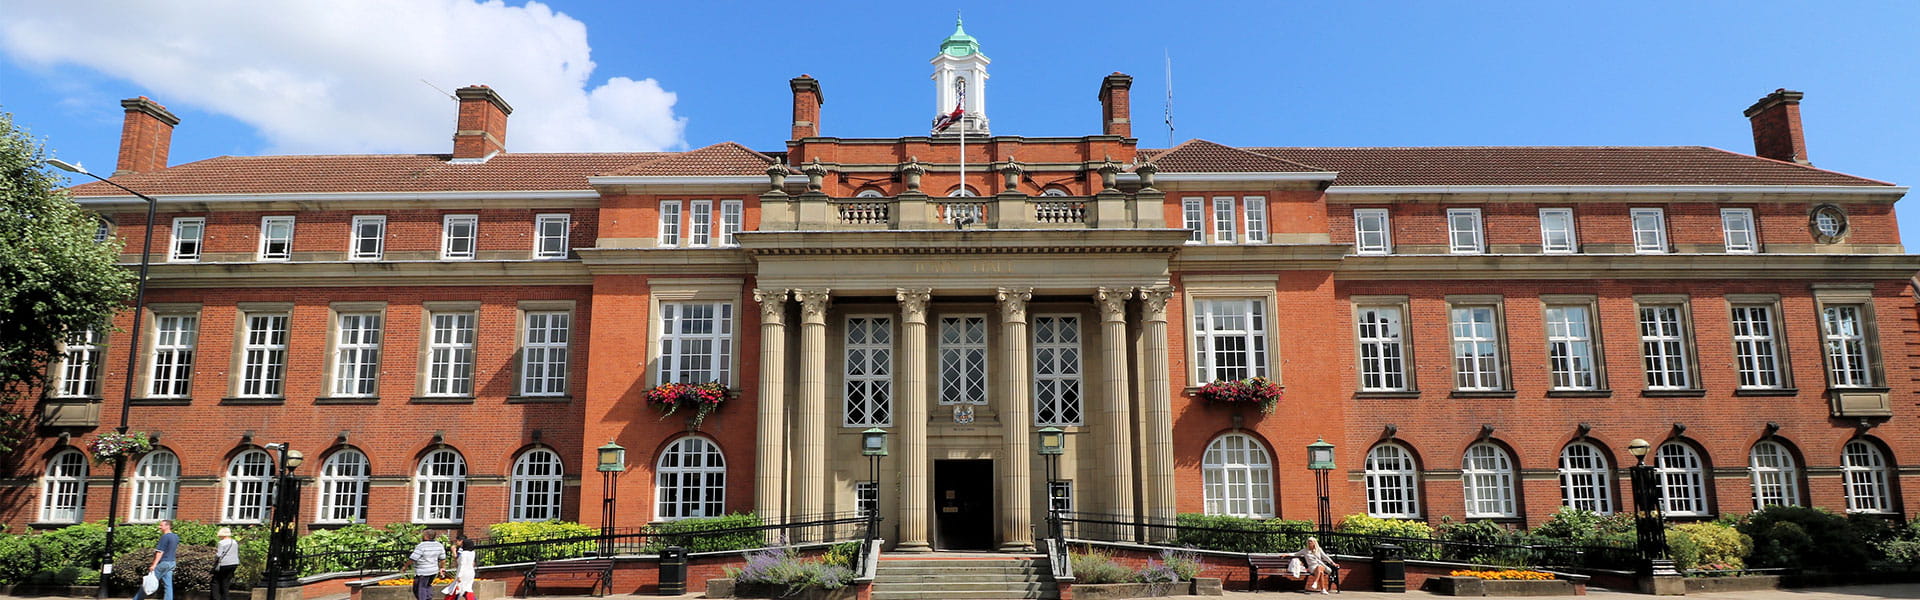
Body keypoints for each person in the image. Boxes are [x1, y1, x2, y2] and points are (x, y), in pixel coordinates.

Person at [132, 520, 179, 600]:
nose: (159, 527)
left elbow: (160, 552)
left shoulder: (165, 537)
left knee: (148, 583)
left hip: (164, 563)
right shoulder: (175, 537)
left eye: (161, 525)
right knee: (168, 585)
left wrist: (154, 565)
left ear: (167, 526)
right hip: (172, 563)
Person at [408, 532, 446, 600]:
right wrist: (442, 568)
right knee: (427, 586)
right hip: (433, 570)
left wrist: (405, 566)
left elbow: (413, 558)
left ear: (426, 536)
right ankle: (428, 598)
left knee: (420, 588)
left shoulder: (421, 546)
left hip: (422, 571)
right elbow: (442, 559)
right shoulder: (439, 545)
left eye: (423, 535)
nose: (422, 536)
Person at [211, 528, 239, 600]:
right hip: (234, 563)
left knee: (215, 581)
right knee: (226, 582)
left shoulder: (221, 543)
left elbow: (219, 555)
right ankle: (226, 598)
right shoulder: (234, 542)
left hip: (224, 564)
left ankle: (216, 598)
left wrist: (213, 559)